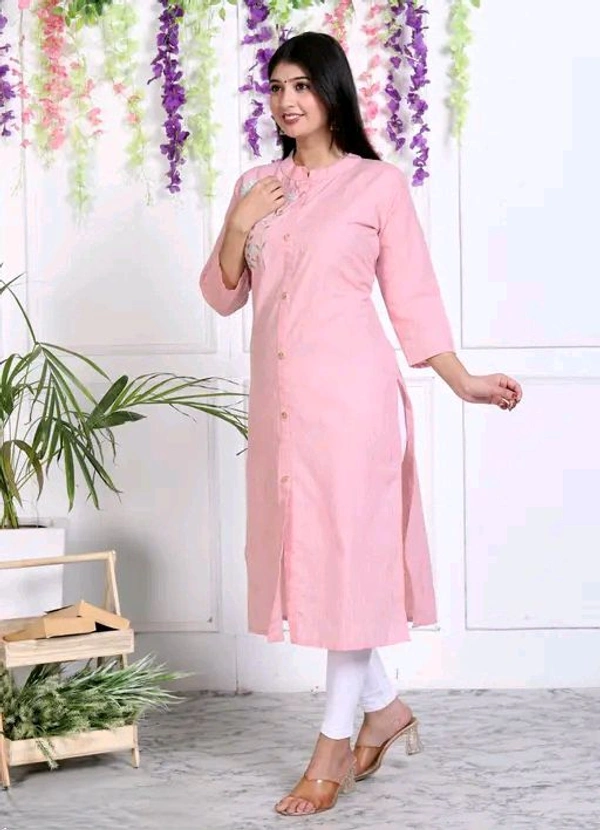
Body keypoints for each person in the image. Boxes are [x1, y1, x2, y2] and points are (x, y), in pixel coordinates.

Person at [200, 31, 522, 817]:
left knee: (347, 564)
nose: (287, 101)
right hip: (282, 410)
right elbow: (222, 294)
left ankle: (332, 746)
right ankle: (384, 709)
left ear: (333, 91)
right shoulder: (256, 183)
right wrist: (240, 223)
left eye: (302, 85)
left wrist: (463, 381)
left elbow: (412, 296)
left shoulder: (377, 186)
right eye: (277, 87)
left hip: (354, 405)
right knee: (316, 565)